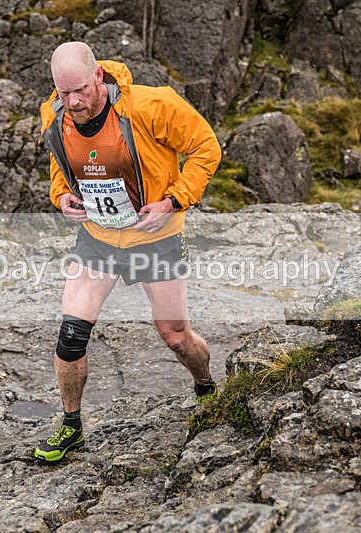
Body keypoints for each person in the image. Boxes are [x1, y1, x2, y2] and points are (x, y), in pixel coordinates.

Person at [34, 42, 222, 462]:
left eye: (80, 90)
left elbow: (206, 148)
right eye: (64, 93)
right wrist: (61, 195)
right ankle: (71, 427)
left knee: (175, 337)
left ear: (98, 75)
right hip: (98, 239)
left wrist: (173, 201)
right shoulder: (56, 112)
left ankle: (206, 387)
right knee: (70, 335)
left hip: (155, 238)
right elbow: (59, 162)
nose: (73, 101)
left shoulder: (153, 106)